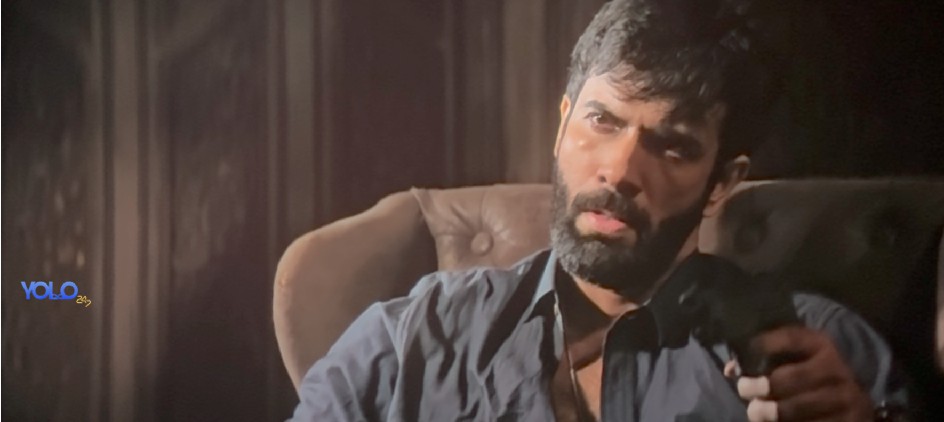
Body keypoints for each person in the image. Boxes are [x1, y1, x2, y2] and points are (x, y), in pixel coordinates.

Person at [291, 0, 908, 420]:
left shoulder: (812, 353)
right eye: (602, 121)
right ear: (562, 126)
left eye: (672, 145)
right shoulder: (413, 339)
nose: (620, 170)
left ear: (722, 182)